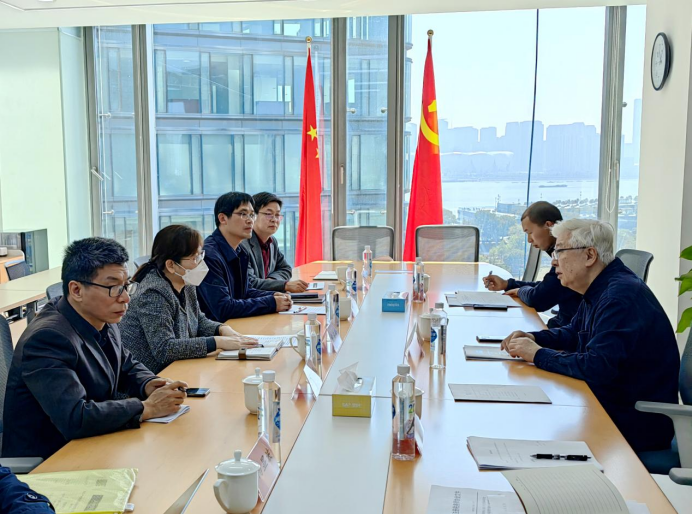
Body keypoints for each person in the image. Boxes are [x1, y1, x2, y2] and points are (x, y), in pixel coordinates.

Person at [501, 219, 680, 453]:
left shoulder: (618, 297)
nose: (554, 261)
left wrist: (537, 355)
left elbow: (596, 366)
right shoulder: (600, 286)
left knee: (527, 430)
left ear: (589, 256)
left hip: (633, 423)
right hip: (608, 405)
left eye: (560, 251)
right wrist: (534, 338)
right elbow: (574, 332)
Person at [2, 238, 188, 460]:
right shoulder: (47, 339)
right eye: (113, 288)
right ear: (76, 290)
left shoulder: (100, 316)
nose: (125, 298)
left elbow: (125, 365)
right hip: (51, 460)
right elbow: (75, 417)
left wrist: (149, 383)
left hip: (92, 444)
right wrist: (147, 408)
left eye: (126, 286)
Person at [120, 225, 259, 374]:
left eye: (200, 255)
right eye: (194, 258)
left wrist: (222, 329)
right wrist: (217, 342)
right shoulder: (153, 293)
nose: (200, 263)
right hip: (153, 377)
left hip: (178, 368)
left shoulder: (185, 282)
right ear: (171, 265)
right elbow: (164, 349)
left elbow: (198, 320)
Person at [483, 201, 582, 328]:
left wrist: (520, 291)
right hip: (563, 328)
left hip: (569, 332)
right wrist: (507, 284)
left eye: (530, 232)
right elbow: (547, 287)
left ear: (548, 226)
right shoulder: (563, 252)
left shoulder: (569, 257)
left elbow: (539, 299)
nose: (529, 240)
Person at [197, 192, 292, 321]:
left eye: (252, 215)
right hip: (219, 329)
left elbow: (245, 292)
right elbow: (223, 308)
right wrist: (271, 303)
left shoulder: (240, 251)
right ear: (223, 218)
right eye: (243, 214)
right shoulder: (209, 255)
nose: (250, 220)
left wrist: (274, 295)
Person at [241, 192, 309, 293]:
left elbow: (286, 269)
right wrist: (283, 285)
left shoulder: (272, 242)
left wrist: (272, 281)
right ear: (253, 215)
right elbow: (250, 283)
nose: (274, 220)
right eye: (269, 214)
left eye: (277, 215)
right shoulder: (242, 245)